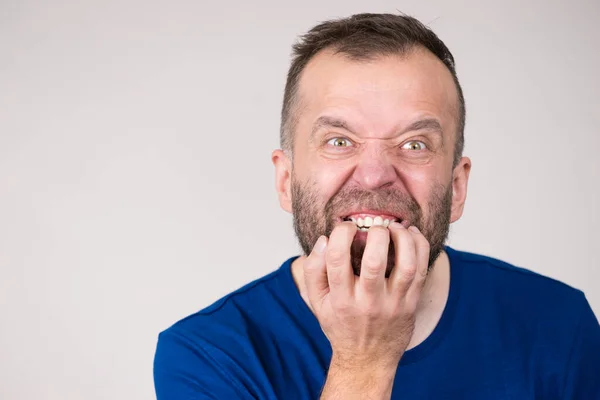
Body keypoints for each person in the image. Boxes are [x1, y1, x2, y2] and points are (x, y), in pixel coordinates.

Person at [153, 12, 600, 399]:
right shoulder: (207, 355)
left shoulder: (560, 325)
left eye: (414, 144)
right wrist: (364, 361)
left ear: (457, 186)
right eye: (339, 141)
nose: (374, 174)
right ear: (286, 180)